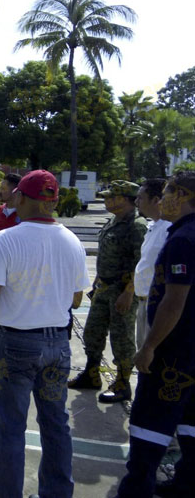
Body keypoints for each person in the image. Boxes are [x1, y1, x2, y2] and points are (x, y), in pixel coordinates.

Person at [0, 170, 89, 498]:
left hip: (16, 344)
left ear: (21, 197)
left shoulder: (6, 240)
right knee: (55, 425)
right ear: (54, 201)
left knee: (10, 429)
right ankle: (57, 492)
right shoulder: (73, 241)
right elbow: (76, 299)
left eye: (14, 194)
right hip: (58, 344)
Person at [116, 171, 195, 498]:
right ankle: (186, 484)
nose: (161, 200)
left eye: (166, 192)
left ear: (181, 194)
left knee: (149, 422)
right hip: (191, 349)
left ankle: (136, 491)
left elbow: (174, 301)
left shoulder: (181, 240)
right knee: (190, 420)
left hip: (173, 349)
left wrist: (149, 346)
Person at [68, 180, 147, 403]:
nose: (107, 200)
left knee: (121, 338)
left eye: (112, 197)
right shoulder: (114, 221)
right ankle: (92, 374)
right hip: (104, 288)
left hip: (122, 290)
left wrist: (129, 292)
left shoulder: (136, 225)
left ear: (125, 199)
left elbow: (139, 263)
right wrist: (96, 284)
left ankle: (122, 382)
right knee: (92, 332)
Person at [133, 179, 171, 350]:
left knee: (152, 357)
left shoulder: (168, 229)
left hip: (158, 304)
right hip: (144, 302)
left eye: (140, 198)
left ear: (156, 200)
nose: (136, 202)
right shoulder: (153, 226)